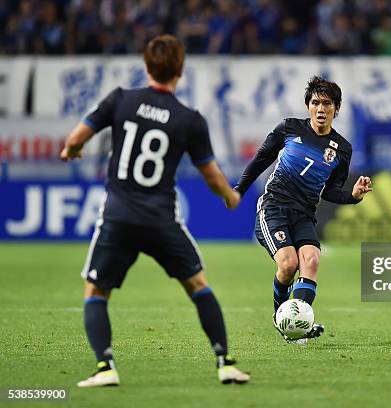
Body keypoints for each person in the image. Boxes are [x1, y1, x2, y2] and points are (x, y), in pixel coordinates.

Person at [60, 34, 249, 387]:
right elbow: (211, 174)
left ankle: (105, 368)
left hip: (118, 216)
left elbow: (74, 140)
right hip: (160, 218)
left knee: (96, 291)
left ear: (146, 65)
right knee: (197, 285)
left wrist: (72, 152)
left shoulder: (120, 100)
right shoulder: (189, 119)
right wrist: (229, 195)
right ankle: (224, 362)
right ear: (180, 69)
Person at [234, 76, 372, 343]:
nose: (321, 109)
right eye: (315, 103)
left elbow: (331, 190)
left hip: (304, 213)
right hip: (274, 206)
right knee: (288, 265)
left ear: (337, 108)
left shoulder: (342, 149)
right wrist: (238, 190)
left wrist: (353, 196)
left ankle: (296, 327)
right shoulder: (288, 128)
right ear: (308, 106)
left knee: (311, 260)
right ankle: (282, 318)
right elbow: (261, 159)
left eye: (327, 104)